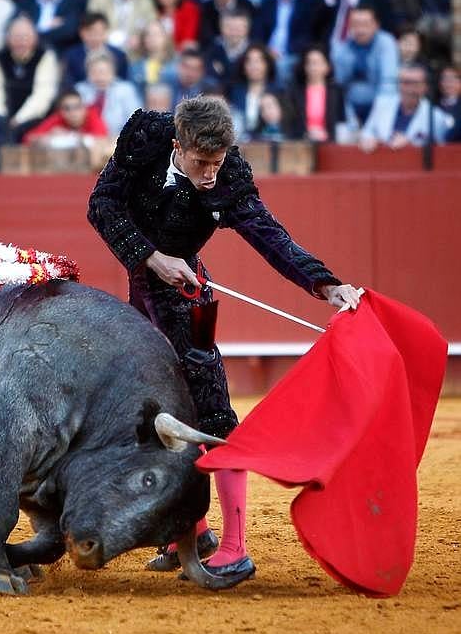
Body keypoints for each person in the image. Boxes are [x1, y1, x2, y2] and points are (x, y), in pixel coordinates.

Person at [87, 94, 360, 579]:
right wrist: (152, 257)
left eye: (217, 162)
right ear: (178, 143)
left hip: (190, 298)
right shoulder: (145, 136)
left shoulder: (229, 174)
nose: (211, 172)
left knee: (212, 410)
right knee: (151, 415)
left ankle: (234, 545)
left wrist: (325, 284)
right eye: (201, 162)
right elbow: (101, 204)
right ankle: (189, 531)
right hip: (142, 299)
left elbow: (269, 236)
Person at [359, 63, 451, 151]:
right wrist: (371, 140)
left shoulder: (436, 116)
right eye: (405, 83)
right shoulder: (381, 104)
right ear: (398, 84)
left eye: (415, 83)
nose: (409, 89)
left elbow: (441, 150)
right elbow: (367, 133)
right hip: (381, 164)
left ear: (425, 87)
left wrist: (411, 145)